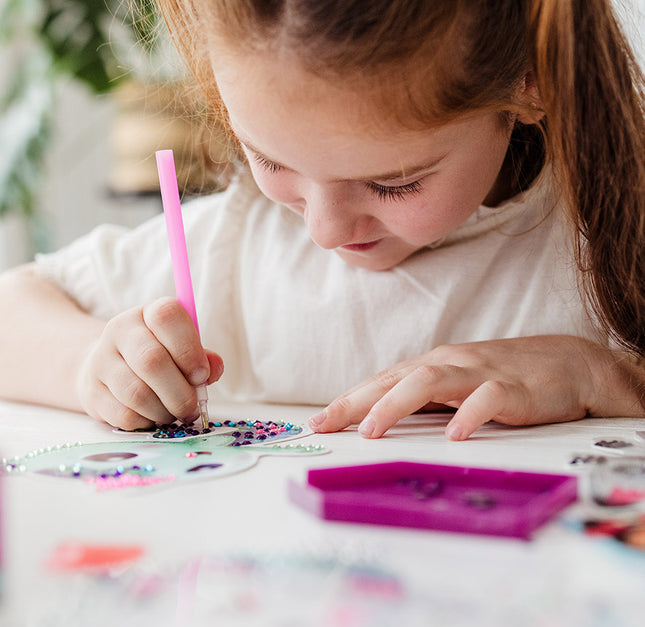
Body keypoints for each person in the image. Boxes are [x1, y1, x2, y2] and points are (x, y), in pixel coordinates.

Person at [0, 0, 643, 441]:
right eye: (270, 160)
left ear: (529, 79)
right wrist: (93, 365)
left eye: (395, 182)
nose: (326, 232)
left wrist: (602, 374)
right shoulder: (233, 241)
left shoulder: (606, 221)